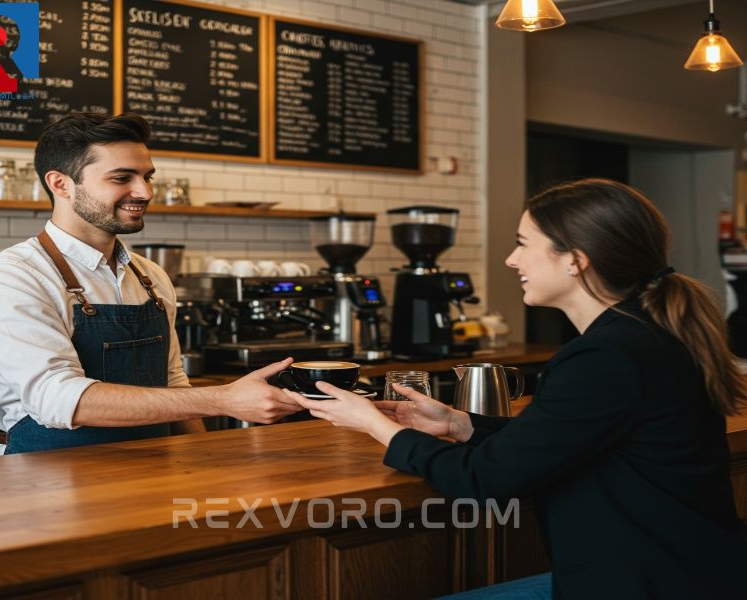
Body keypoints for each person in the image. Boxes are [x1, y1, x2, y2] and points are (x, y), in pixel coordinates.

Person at [289, 178, 747, 599]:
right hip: (691, 572)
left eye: (523, 243)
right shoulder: (646, 335)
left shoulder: (605, 357)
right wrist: (459, 423)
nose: (511, 259)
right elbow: (570, 439)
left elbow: (484, 480)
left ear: (575, 259)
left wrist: (375, 426)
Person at [0, 112, 300, 456]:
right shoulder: (12, 277)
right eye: (122, 178)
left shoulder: (150, 276)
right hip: (47, 481)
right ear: (61, 184)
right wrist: (222, 399)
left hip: (153, 472)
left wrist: (200, 457)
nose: (144, 191)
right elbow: (57, 399)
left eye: (147, 176)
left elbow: (172, 381)